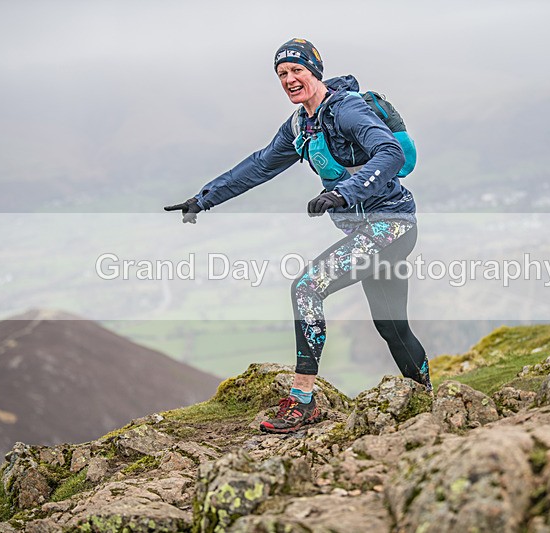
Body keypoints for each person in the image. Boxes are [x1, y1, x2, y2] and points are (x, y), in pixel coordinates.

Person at [165, 38, 431, 434]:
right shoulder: (300, 127)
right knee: (391, 326)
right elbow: (257, 167)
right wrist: (203, 199)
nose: (289, 79)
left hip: (390, 227)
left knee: (307, 288)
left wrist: (343, 193)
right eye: (282, 74)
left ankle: (302, 400)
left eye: (297, 71)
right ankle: (427, 401)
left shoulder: (346, 109)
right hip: (374, 232)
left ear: (315, 73)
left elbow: (390, 153)